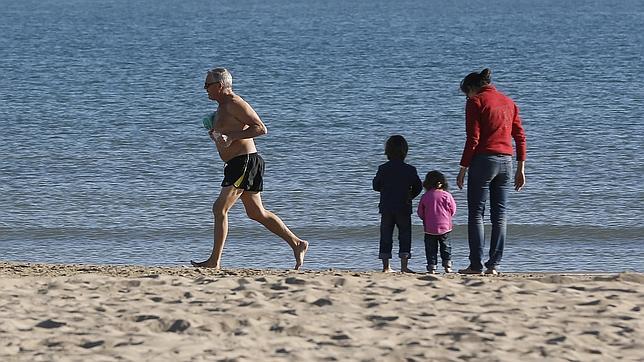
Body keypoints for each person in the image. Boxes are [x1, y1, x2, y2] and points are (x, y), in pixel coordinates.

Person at [191, 68, 308, 270]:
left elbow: (260, 128)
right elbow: (229, 134)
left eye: (207, 85)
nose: (204, 89)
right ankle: (297, 244)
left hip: (244, 162)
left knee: (219, 208)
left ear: (219, 86)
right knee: (256, 213)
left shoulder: (235, 103)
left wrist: (233, 137)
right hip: (238, 163)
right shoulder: (222, 106)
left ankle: (214, 261)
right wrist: (218, 136)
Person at [456, 68, 527, 275]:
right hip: (507, 162)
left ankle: (476, 266)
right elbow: (520, 136)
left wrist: (463, 168)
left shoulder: (475, 102)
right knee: (500, 216)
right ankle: (494, 265)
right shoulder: (509, 102)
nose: (466, 97)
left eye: (466, 93)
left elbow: (473, 139)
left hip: (483, 161)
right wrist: (521, 168)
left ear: (472, 89)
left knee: (476, 214)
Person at [373, 135, 423, 273]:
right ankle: (404, 266)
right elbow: (418, 186)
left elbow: (375, 185)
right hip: (404, 206)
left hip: (386, 207)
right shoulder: (410, 169)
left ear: (387, 151)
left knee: (386, 235)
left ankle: (386, 266)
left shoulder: (383, 168)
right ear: (404, 151)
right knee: (405, 235)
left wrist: (385, 189)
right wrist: (410, 196)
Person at [417, 170, 456, 274]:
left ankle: (432, 267)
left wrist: (426, 219)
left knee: (430, 249)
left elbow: (420, 212)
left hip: (429, 228)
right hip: (445, 227)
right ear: (442, 183)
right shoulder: (446, 195)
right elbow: (453, 209)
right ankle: (447, 266)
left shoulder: (425, 196)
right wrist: (447, 217)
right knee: (446, 247)